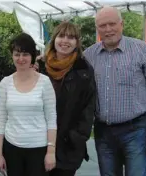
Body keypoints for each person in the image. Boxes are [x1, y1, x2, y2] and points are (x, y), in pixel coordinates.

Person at [84, 6, 146, 176]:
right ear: (97, 29)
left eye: (112, 24)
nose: (108, 29)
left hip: (135, 130)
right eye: (102, 25)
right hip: (103, 131)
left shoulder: (142, 50)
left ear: (121, 24)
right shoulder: (88, 56)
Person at [0, 33, 57, 176]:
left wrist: (51, 151)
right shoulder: (5, 83)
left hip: (39, 149)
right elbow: (1, 120)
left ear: (32, 56)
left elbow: (51, 119)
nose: (21, 59)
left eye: (25, 54)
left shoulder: (44, 82)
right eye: (17, 54)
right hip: (12, 148)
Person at [38, 21, 97, 176]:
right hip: (37, 141)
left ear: (77, 43)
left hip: (67, 146)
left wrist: (76, 137)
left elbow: (89, 108)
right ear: (54, 39)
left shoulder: (84, 70)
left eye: (71, 37)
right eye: (61, 35)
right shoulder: (39, 66)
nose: (65, 40)